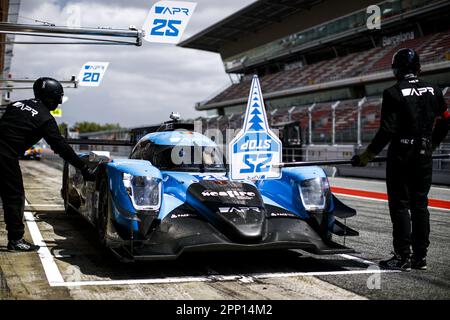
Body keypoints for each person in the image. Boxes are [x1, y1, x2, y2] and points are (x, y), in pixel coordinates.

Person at [352, 49, 449, 271]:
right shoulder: (435, 91)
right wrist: (432, 144)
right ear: (419, 68)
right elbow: (446, 120)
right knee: (420, 206)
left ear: (396, 70)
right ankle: (420, 258)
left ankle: (402, 256)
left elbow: (387, 130)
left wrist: (366, 156)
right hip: (424, 155)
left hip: (402, 156)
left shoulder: (393, 92)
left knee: (400, 206)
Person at [0, 77, 95, 252]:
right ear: (51, 97)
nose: (58, 102)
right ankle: (15, 240)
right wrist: (83, 167)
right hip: (5, 156)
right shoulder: (45, 118)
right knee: (14, 197)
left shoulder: (16, 105)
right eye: (58, 98)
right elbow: (61, 147)